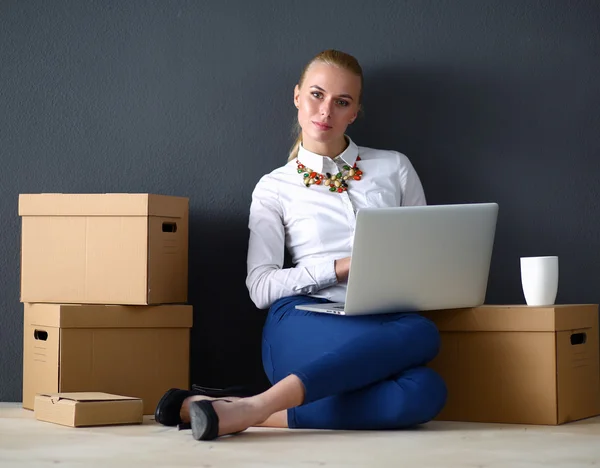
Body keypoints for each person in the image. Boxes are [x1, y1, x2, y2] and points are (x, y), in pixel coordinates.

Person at [155, 49, 447, 441]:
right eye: (316, 94)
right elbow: (260, 287)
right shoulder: (275, 187)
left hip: (381, 322)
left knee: (426, 386)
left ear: (355, 112)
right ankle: (255, 406)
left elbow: (423, 255)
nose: (325, 111)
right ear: (297, 96)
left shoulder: (394, 167)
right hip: (301, 322)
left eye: (342, 102)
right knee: (422, 338)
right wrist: (341, 267)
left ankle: (245, 410)